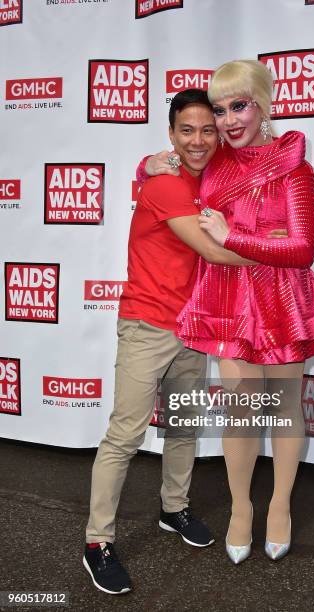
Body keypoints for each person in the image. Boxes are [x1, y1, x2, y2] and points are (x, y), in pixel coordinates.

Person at [140, 60, 314, 565]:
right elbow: (167, 168)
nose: (230, 120)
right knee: (240, 408)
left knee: (284, 407)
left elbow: (300, 250)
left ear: (263, 103)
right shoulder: (210, 161)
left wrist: (229, 236)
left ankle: (279, 505)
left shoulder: (294, 166)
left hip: (280, 301)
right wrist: (149, 163)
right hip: (228, 300)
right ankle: (240, 508)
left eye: (240, 105)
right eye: (220, 109)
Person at [83, 89, 263, 595]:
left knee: (183, 428)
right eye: (187, 130)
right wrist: (281, 257)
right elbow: (211, 247)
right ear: (171, 134)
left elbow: (254, 157)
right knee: (125, 437)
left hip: (192, 326)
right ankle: (97, 543)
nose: (199, 139)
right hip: (147, 325)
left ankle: (173, 510)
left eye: (208, 129)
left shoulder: (210, 177)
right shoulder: (163, 184)